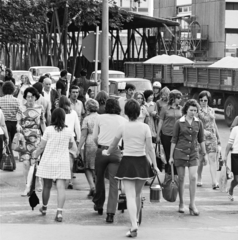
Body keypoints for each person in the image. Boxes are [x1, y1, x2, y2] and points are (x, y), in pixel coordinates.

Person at [104, 99, 160, 237]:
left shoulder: (122, 127)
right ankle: (135, 221)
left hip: (128, 162)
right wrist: (155, 165)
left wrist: (107, 152)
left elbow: (113, 145)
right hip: (142, 162)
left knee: (129, 196)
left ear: (126, 113)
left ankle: (134, 225)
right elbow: (150, 149)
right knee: (137, 195)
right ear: (139, 111)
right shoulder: (145, 127)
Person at [33, 108, 73, 222]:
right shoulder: (68, 131)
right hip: (62, 161)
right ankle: (59, 213)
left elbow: (41, 146)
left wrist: (35, 156)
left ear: (53, 117)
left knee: (47, 186)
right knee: (61, 187)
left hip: (48, 160)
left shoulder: (49, 130)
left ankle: (44, 208)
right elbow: (70, 145)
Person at [169, 99, 207, 216]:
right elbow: (174, 140)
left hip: (193, 154)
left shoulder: (198, 122)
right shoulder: (178, 122)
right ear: (186, 110)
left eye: (195, 110)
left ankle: (192, 204)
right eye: (191, 110)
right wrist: (171, 156)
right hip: (180, 153)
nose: (193, 112)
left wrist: (204, 154)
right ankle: (181, 203)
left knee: (193, 178)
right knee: (181, 178)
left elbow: (201, 139)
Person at [92, 99, 127, 223]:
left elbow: (94, 137)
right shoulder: (123, 120)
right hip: (116, 151)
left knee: (99, 179)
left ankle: (99, 204)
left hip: (102, 150)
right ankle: (110, 213)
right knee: (114, 183)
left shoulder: (99, 118)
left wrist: (100, 146)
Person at [16, 87, 46, 196]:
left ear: (35, 97)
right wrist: (18, 127)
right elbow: (18, 122)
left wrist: (46, 135)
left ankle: (37, 181)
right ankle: (27, 185)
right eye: (28, 96)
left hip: (36, 138)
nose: (29, 99)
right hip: (24, 139)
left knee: (34, 163)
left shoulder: (40, 108)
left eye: (32, 97)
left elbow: (42, 123)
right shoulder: (21, 108)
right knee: (25, 163)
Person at [197, 91, 221, 189]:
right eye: (201, 100)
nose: (203, 102)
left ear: (208, 100)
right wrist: (202, 132)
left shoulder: (211, 110)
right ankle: (199, 177)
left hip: (212, 137)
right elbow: (196, 124)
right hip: (201, 138)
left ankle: (214, 182)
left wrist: (218, 137)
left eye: (205, 100)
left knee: (212, 160)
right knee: (201, 160)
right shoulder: (197, 111)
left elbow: (214, 124)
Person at [156, 90, 182, 175]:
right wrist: (158, 135)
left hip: (178, 135)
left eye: (180, 98)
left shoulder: (181, 108)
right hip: (166, 134)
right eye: (178, 98)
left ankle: (174, 174)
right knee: (168, 154)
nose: (180, 99)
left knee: (176, 154)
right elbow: (160, 121)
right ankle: (169, 174)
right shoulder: (164, 108)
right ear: (172, 98)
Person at [58, 96, 81, 189]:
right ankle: (70, 179)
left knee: (60, 158)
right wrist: (78, 139)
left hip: (60, 137)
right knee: (70, 159)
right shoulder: (74, 113)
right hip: (71, 137)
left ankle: (59, 177)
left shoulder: (58, 112)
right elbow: (77, 127)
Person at [78, 99, 99, 198]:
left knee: (87, 167)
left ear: (87, 107)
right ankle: (97, 187)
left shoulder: (86, 119)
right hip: (99, 142)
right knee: (96, 167)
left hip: (90, 142)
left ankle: (92, 187)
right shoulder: (101, 118)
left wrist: (78, 148)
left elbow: (83, 136)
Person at [0, 81, 20, 168]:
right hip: (14, 124)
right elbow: (19, 113)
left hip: (3, 124)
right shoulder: (16, 101)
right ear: (13, 90)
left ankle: (7, 163)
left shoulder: (0, 100)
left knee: (5, 144)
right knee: (11, 143)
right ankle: (12, 163)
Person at [223, 125, 238, 201]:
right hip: (235, 155)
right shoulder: (235, 129)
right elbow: (230, 143)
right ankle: (231, 189)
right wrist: (225, 155)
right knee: (237, 179)